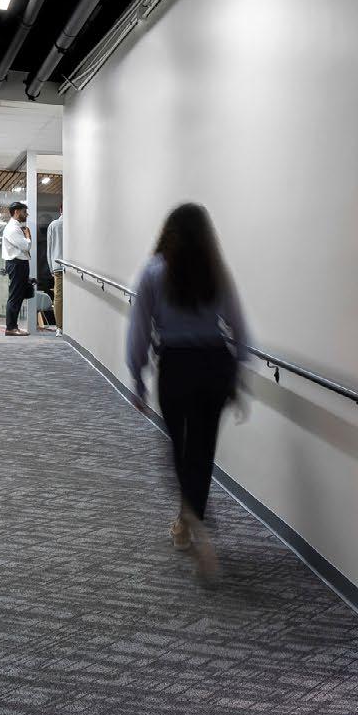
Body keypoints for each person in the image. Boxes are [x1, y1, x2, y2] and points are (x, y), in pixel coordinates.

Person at [127, 203, 251, 579]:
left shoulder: (153, 270)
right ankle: (188, 517)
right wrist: (238, 376)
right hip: (215, 364)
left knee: (179, 449)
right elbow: (239, 326)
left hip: (177, 366)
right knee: (202, 448)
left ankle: (192, 520)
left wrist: (137, 378)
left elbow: (138, 329)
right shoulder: (215, 270)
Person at [0, 202, 31, 336]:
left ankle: (13, 327)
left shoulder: (16, 227)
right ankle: (11, 328)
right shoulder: (12, 228)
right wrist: (28, 236)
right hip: (16, 264)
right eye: (24, 212)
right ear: (17, 212)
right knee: (15, 296)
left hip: (19, 264)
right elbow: (26, 246)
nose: (26, 214)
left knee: (17, 296)